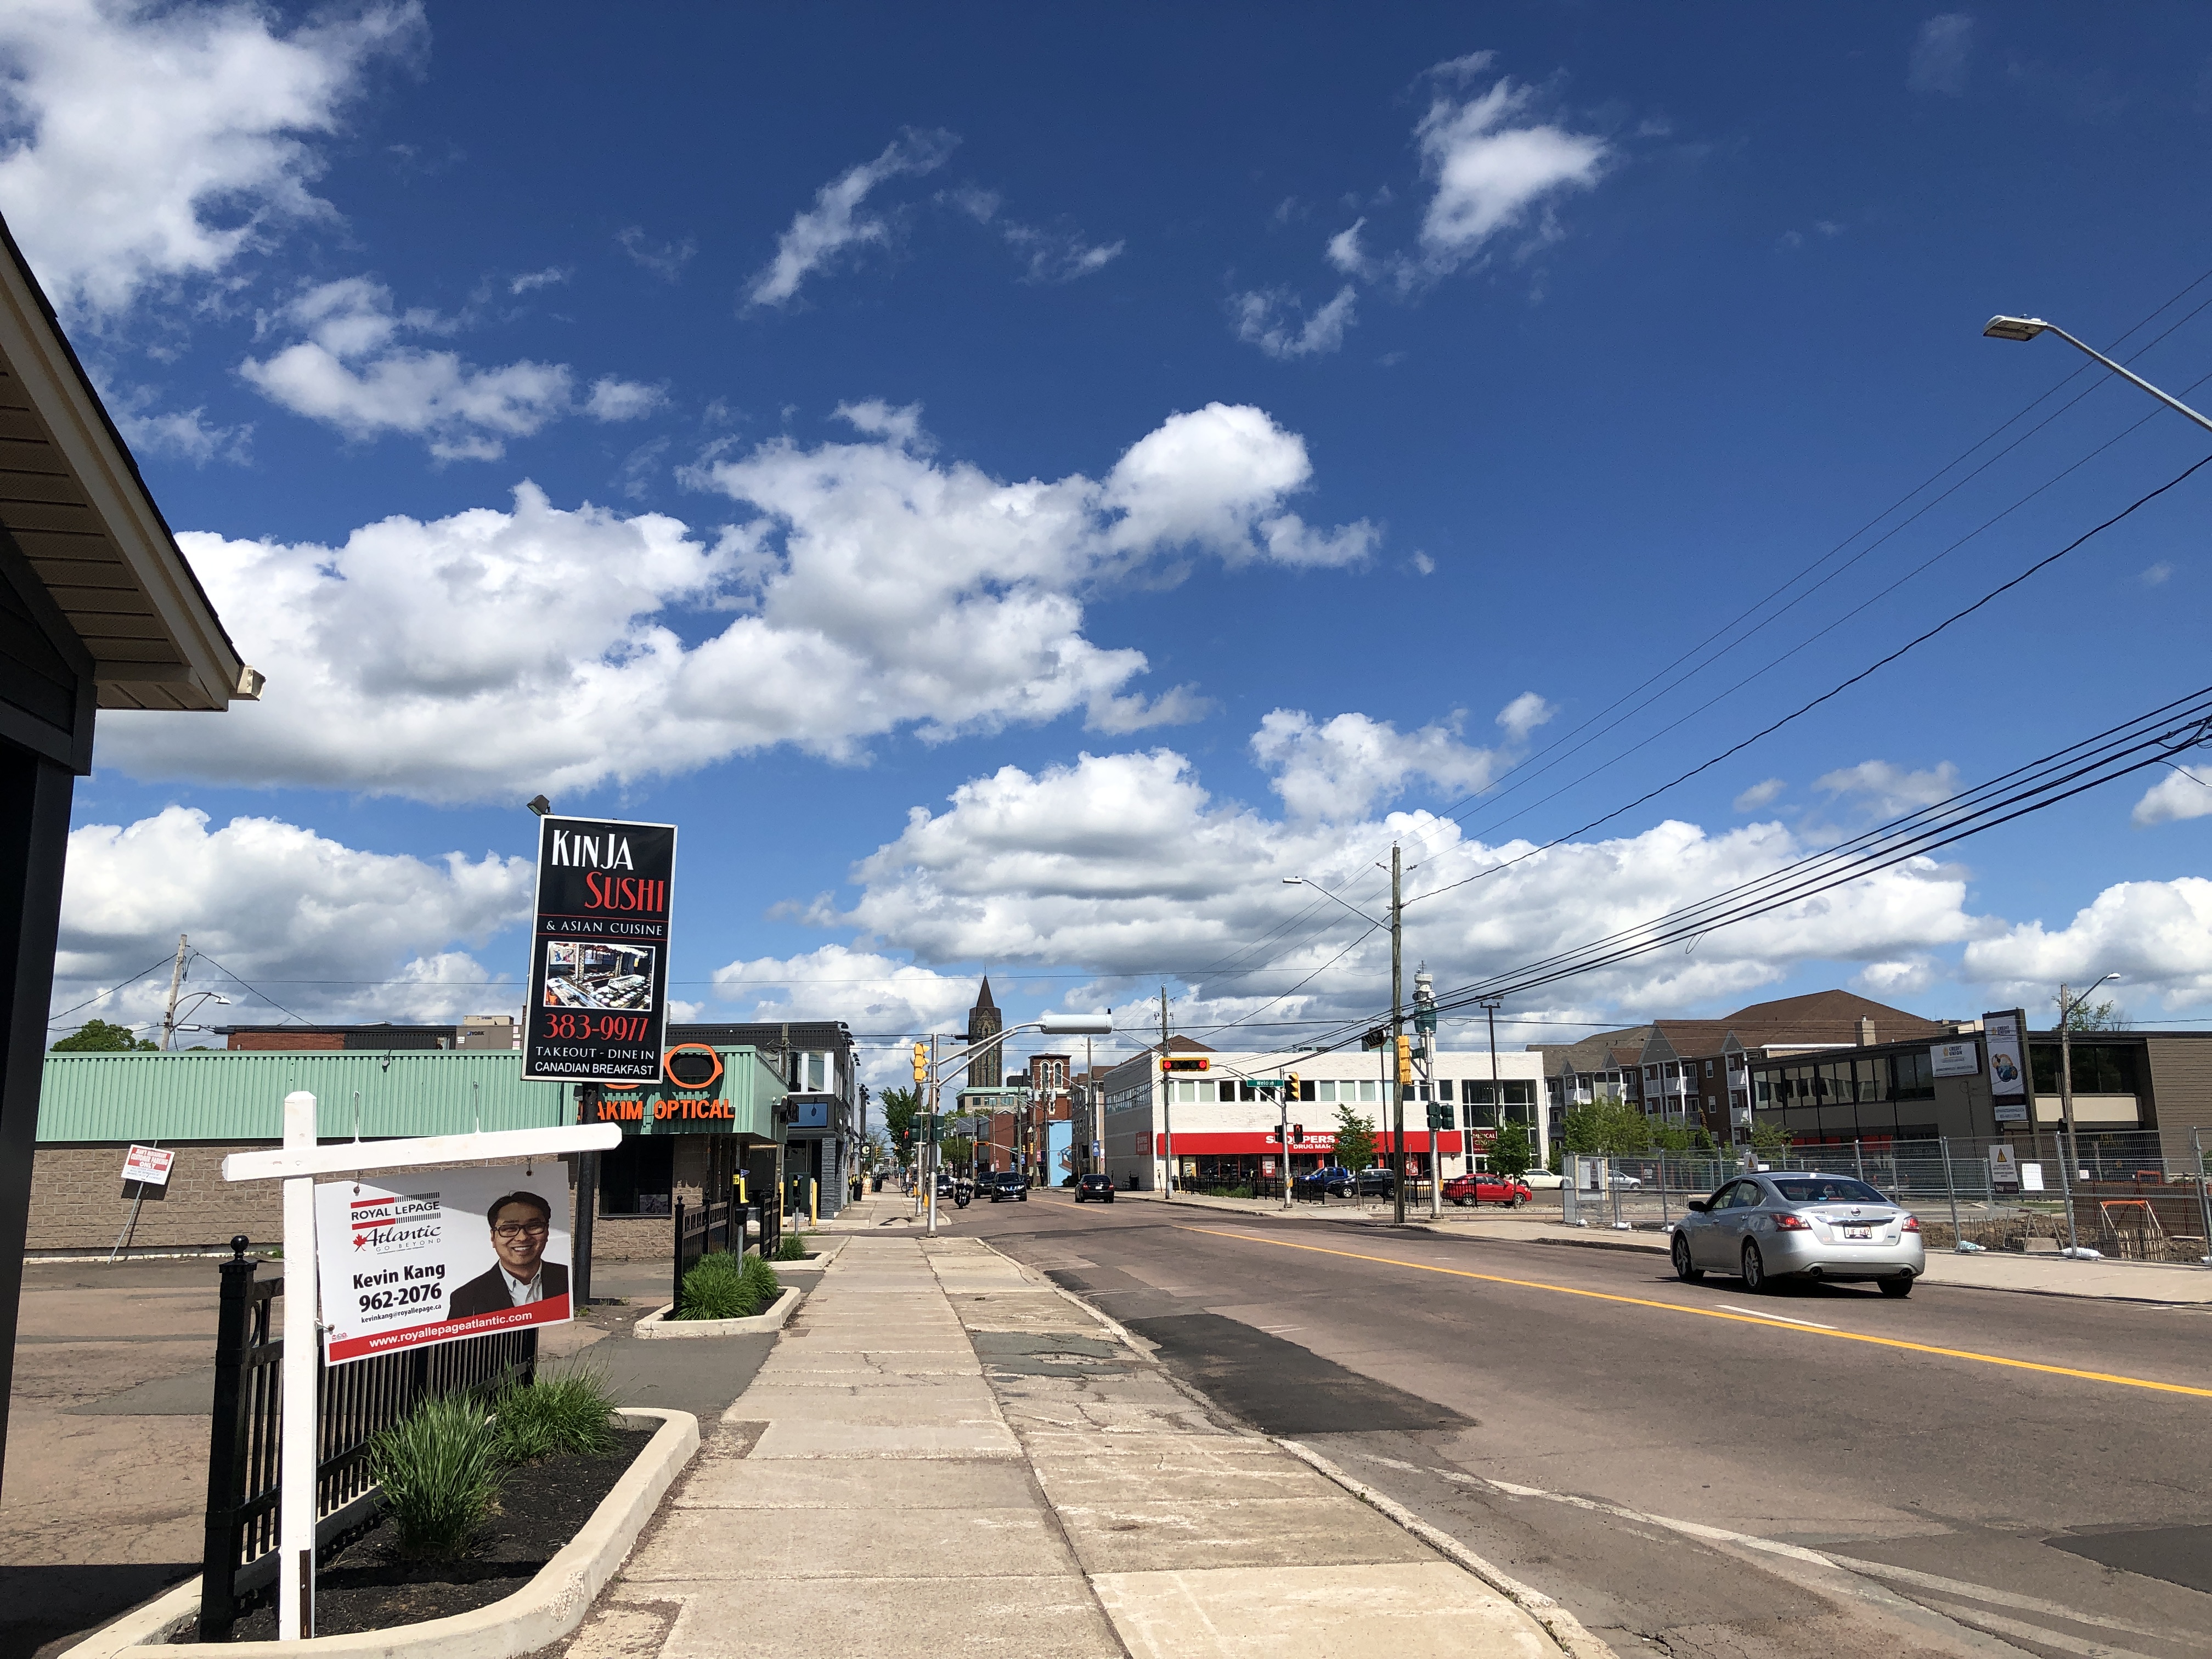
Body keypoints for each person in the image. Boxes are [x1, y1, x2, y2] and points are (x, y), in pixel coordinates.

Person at [447, 1191, 569, 1318]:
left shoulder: (569, 1279)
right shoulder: (466, 1299)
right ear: (493, 1237)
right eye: (510, 1228)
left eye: (533, 1226)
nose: (522, 1238)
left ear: (547, 1231)